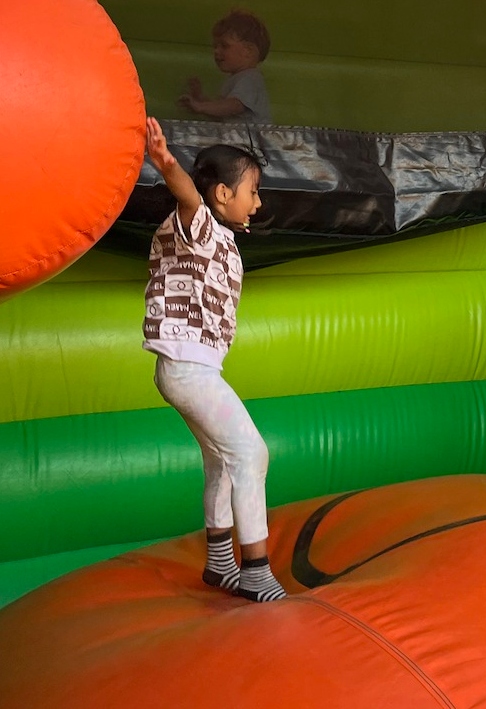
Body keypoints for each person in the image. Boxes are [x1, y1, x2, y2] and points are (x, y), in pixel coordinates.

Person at [142, 116, 286, 602]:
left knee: (222, 464)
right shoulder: (197, 224)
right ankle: (256, 570)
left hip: (193, 368)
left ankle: (220, 563)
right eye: (253, 191)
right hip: (187, 368)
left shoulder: (220, 236)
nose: (258, 202)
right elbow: (186, 194)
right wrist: (165, 161)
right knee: (251, 454)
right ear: (223, 194)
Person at [179, 10, 272, 124]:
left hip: (250, 141)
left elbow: (234, 106)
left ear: (248, 51)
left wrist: (201, 106)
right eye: (215, 46)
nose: (217, 51)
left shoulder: (250, 78)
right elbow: (222, 114)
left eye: (224, 46)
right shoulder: (236, 78)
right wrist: (200, 99)